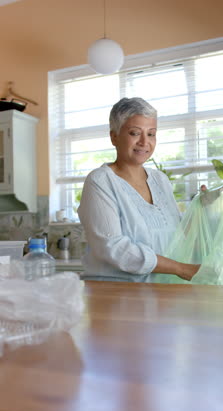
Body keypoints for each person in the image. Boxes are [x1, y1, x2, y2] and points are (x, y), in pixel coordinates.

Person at [78, 97, 200, 282]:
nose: (144, 142)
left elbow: (177, 234)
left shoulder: (161, 180)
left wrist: (202, 207)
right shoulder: (100, 181)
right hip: (114, 296)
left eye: (151, 134)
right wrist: (181, 269)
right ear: (114, 136)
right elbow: (114, 248)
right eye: (135, 133)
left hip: (159, 294)